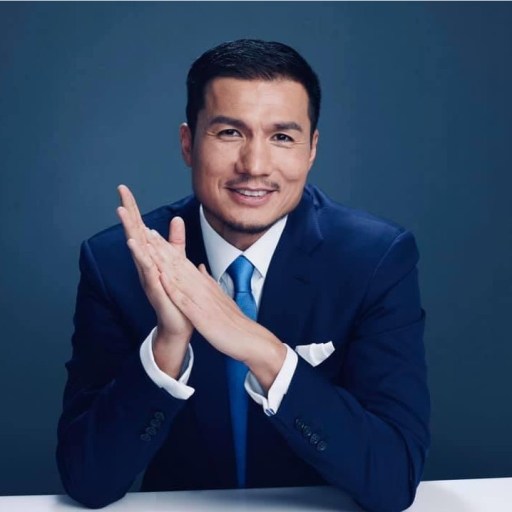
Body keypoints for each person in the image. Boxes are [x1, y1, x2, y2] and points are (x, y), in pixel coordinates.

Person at [57, 39, 430, 512]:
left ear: (312, 149)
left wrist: (262, 350)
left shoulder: (375, 259)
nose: (254, 166)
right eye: (230, 132)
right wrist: (169, 343)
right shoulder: (117, 261)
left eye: (282, 137)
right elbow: (88, 481)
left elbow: (393, 481)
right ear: (188, 143)